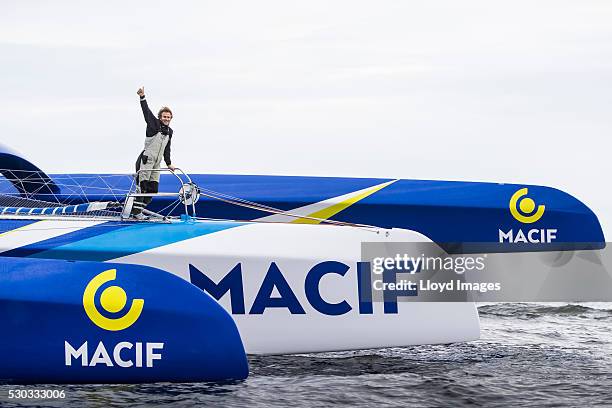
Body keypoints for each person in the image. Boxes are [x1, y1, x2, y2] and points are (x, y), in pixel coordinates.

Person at [132, 86, 177, 219]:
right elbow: (146, 112)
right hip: (146, 161)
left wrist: (169, 163)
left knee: (153, 190)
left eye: (168, 117)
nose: (166, 119)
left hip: (156, 164)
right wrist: (142, 97)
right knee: (143, 188)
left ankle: (138, 211)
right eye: (164, 116)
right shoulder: (154, 124)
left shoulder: (170, 132)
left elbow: (167, 149)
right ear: (160, 117)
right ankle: (136, 213)